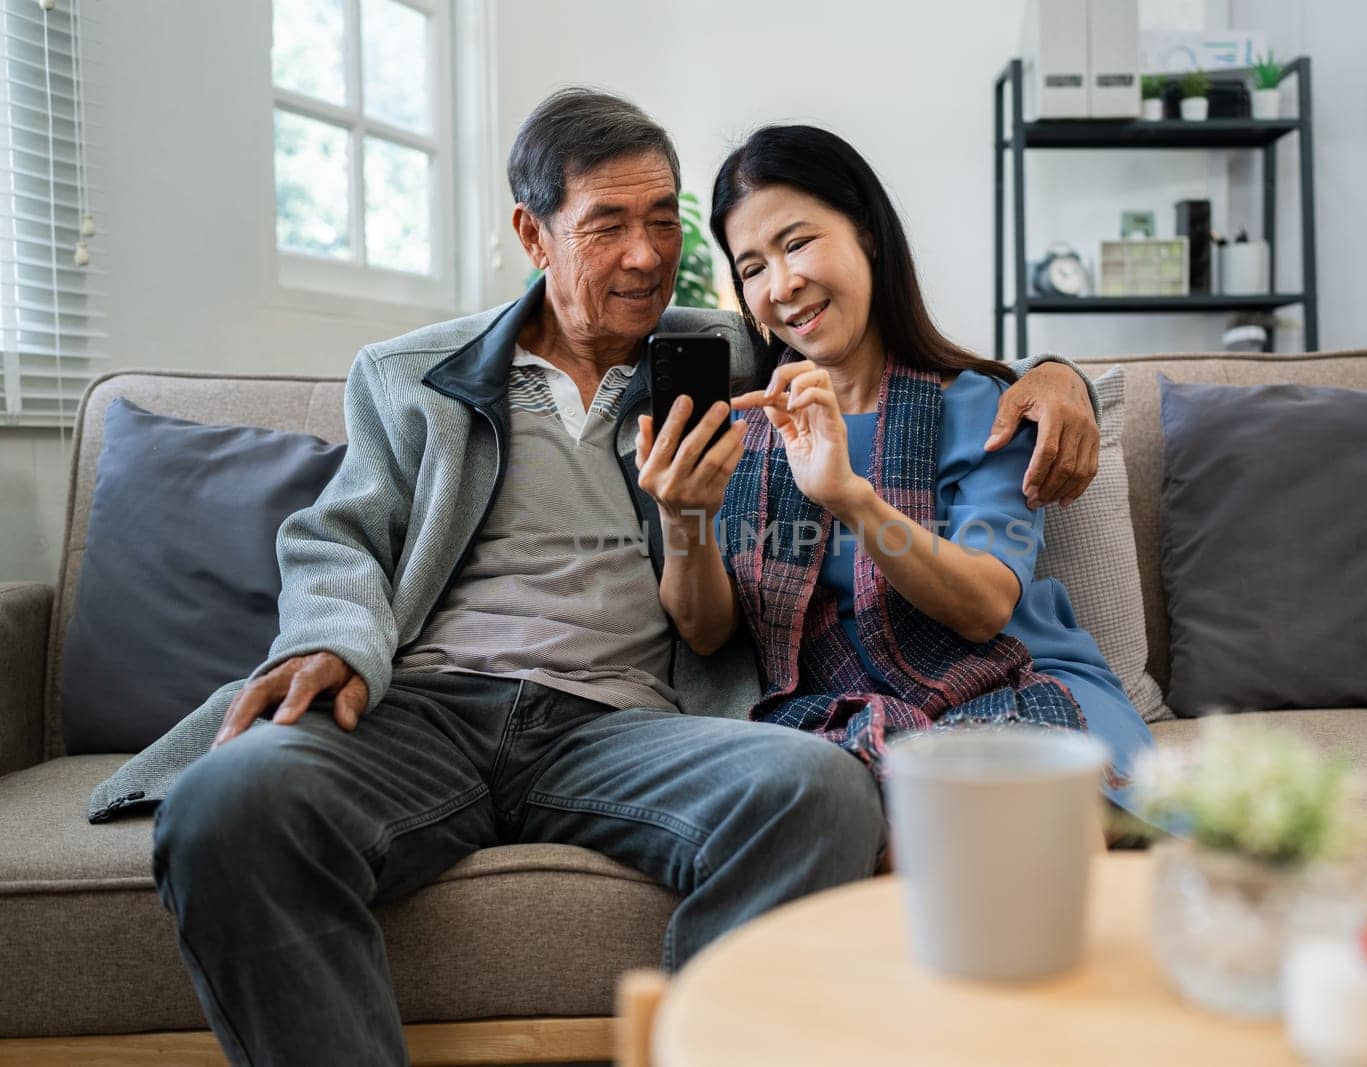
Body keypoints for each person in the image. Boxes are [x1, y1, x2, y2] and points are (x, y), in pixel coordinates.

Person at [83, 91, 1103, 1065]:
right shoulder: (410, 376)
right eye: (607, 224)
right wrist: (329, 637)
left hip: (623, 725)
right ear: (533, 235)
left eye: (664, 221)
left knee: (816, 790)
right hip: (423, 708)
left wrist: (1058, 373)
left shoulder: (723, 360)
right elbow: (337, 536)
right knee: (226, 805)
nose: (648, 254)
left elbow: (881, 352)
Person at [636, 124, 1150, 809]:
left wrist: (852, 498)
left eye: (797, 243)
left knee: (1019, 815)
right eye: (752, 267)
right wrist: (684, 517)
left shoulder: (978, 405)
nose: (782, 285)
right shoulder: (747, 429)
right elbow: (706, 630)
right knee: (865, 822)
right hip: (843, 714)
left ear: (867, 235)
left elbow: (987, 605)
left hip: (1017, 685)